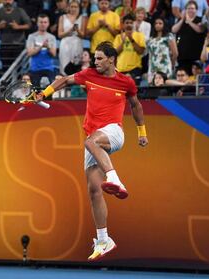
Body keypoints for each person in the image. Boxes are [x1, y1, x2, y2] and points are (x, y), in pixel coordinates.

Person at [36, 41, 148, 260]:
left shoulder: (126, 82)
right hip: (94, 136)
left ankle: (115, 179)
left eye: (99, 58)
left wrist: (142, 132)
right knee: (94, 190)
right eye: (94, 58)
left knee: (91, 143)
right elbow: (66, 80)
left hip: (114, 132)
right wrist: (45, 92)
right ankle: (104, 239)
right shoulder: (89, 74)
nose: (94, 62)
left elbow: (136, 106)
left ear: (111, 59)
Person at [0, 0, 31, 74]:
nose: (8, 1)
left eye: (9, 0)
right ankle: (7, 85)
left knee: (18, 69)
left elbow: (29, 25)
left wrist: (18, 27)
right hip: (4, 45)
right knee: (5, 69)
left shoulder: (20, 11)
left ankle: (17, 85)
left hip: (18, 45)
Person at [172, 0, 206, 75]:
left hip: (196, 55)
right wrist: (182, 20)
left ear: (196, 10)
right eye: (188, 8)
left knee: (196, 77)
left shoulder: (200, 20)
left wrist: (189, 21)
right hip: (183, 56)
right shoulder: (181, 20)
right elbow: (174, 30)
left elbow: (199, 30)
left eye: (192, 8)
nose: (190, 10)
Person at [113, 13, 146, 82]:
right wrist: (123, 42)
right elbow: (115, 53)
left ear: (134, 24)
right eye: (127, 23)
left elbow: (141, 51)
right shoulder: (118, 37)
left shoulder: (140, 35)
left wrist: (131, 39)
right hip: (120, 70)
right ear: (123, 25)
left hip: (135, 69)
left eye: (131, 23)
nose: (129, 24)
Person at [26, 14, 57, 87]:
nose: (43, 24)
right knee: (35, 92)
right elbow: (29, 53)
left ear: (48, 23)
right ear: (37, 23)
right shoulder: (31, 36)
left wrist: (48, 47)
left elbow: (54, 54)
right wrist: (41, 47)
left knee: (49, 93)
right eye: (41, 22)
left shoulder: (52, 37)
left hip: (49, 69)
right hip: (35, 69)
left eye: (45, 22)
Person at [58, 0, 87, 75]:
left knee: (76, 66)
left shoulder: (83, 18)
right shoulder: (62, 17)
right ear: (68, 7)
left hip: (77, 43)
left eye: (76, 7)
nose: (73, 8)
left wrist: (77, 30)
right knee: (64, 67)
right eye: (72, 6)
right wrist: (69, 30)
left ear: (79, 8)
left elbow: (83, 35)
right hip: (65, 44)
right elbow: (59, 34)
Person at [147, 17, 178, 81]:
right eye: (156, 23)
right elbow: (150, 54)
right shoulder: (150, 39)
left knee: (165, 83)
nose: (157, 25)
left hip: (165, 65)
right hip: (153, 66)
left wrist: (172, 64)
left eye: (160, 23)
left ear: (164, 25)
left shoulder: (168, 36)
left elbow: (175, 53)